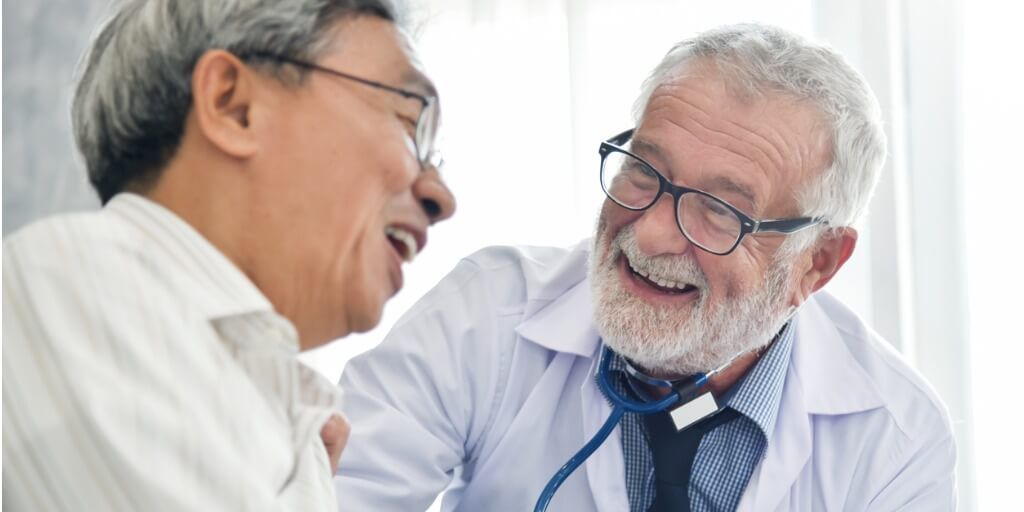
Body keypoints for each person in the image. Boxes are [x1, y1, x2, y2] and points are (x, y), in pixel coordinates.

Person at [333, 23, 956, 511]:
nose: (652, 231)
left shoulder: (895, 436)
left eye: (717, 211)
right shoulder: (488, 313)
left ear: (815, 265)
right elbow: (323, 497)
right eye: (645, 172)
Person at [2, 0, 455, 510]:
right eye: (407, 122)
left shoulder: (292, 423)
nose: (441, 197)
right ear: (233, 104)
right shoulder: (67, 285)